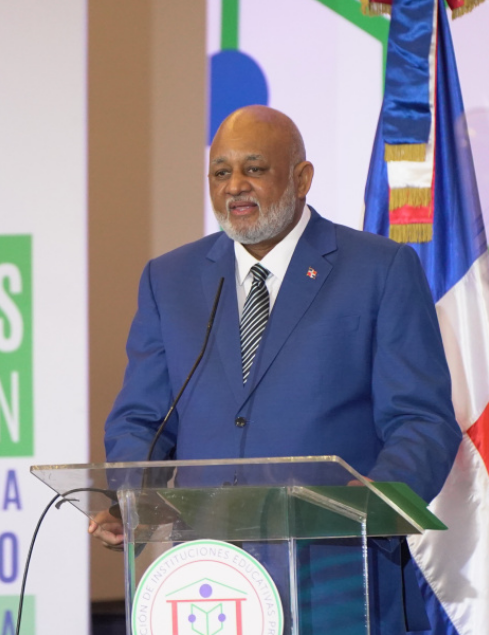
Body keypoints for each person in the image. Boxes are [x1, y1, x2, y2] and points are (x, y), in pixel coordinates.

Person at [90, 105, 461, 633]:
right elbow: (140, 420)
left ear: (302, 178)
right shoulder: (169, 279)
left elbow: (422, 420)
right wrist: (133, 499)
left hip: (337, 577)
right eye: (221, 172)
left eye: (254, 169)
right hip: (207, 583)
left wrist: (370, 503)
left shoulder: (378, 270)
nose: (235, 186)